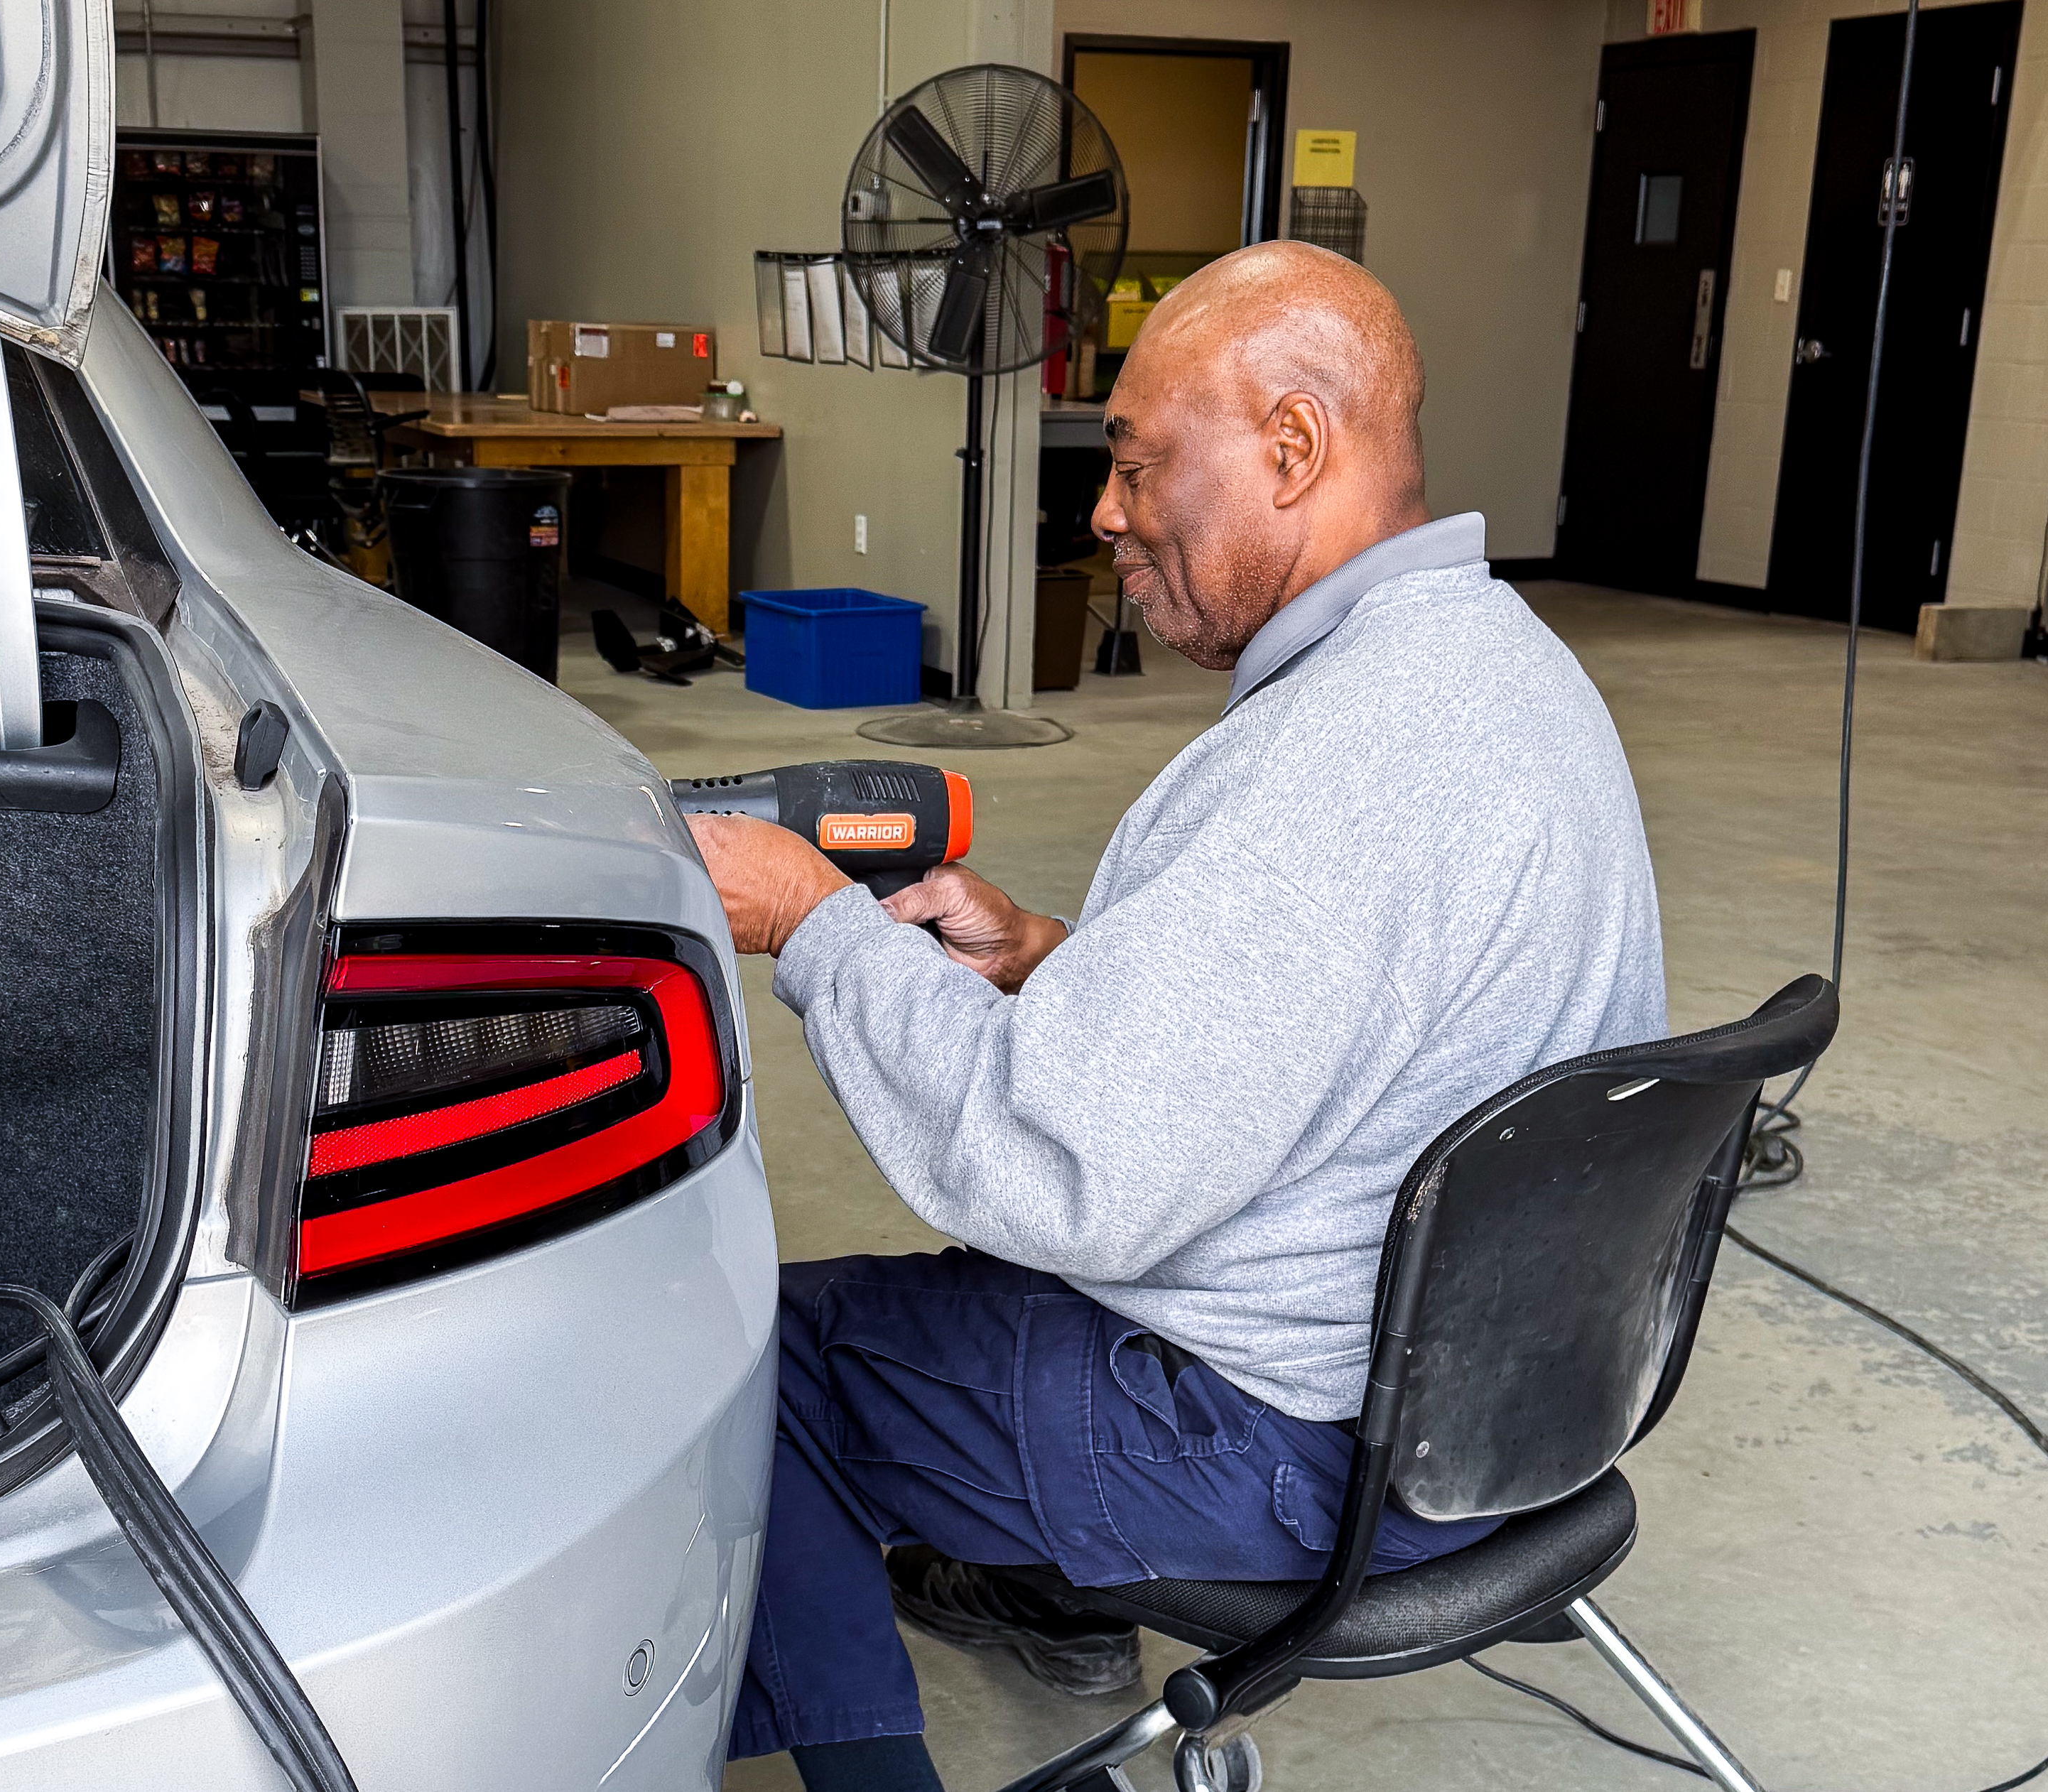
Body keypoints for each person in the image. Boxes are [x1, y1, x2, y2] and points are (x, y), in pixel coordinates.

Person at [688, 241, 1664, 1792]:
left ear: (1291, 446)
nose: (1103, 509)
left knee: (753, 1355)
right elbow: (1334, 1023)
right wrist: (1051, 960)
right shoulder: (1501, 665)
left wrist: (813, 922)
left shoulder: (1341, 749)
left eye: (1137, 464)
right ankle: (1044, 1591)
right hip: (1511, 1416)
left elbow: (1058, 1171)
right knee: (955, 1310)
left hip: (1291, 1447)